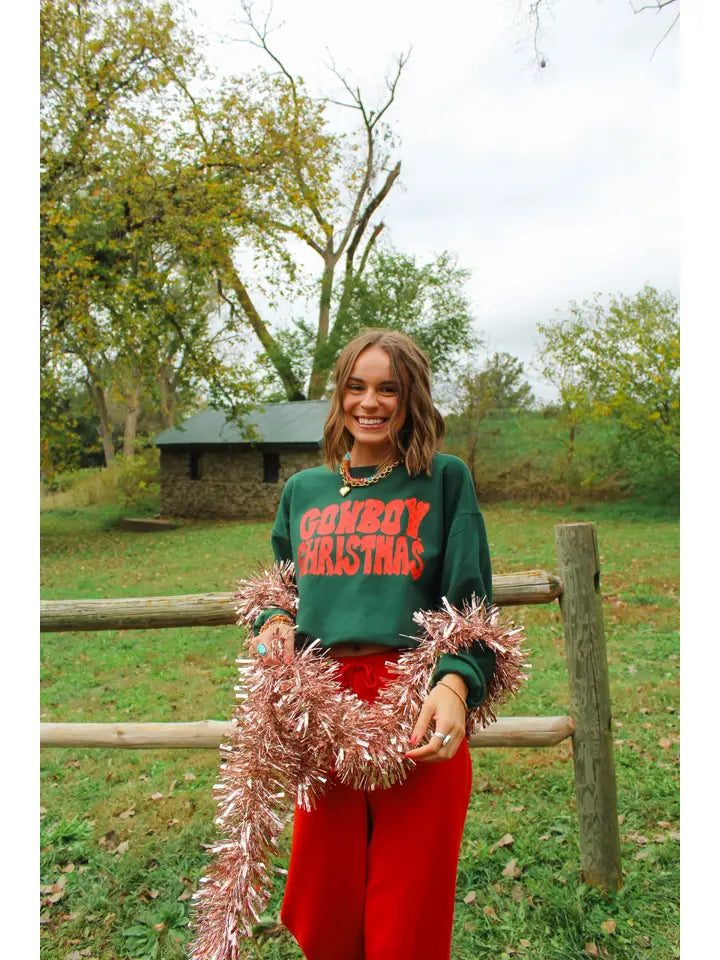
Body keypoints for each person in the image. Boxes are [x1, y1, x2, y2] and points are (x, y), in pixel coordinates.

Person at [248, 329, 495, 960]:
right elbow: (280, 585)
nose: (370, 402)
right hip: (322, 706)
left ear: (412, 397)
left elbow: (470, 603)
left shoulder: (443, 480)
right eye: (356, 386)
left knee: (406, 906)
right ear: (338, 395)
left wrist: (453, 683)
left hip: (412, 700)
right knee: (323, 898)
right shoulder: (304, 490)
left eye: (389, 388)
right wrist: (274, 620)